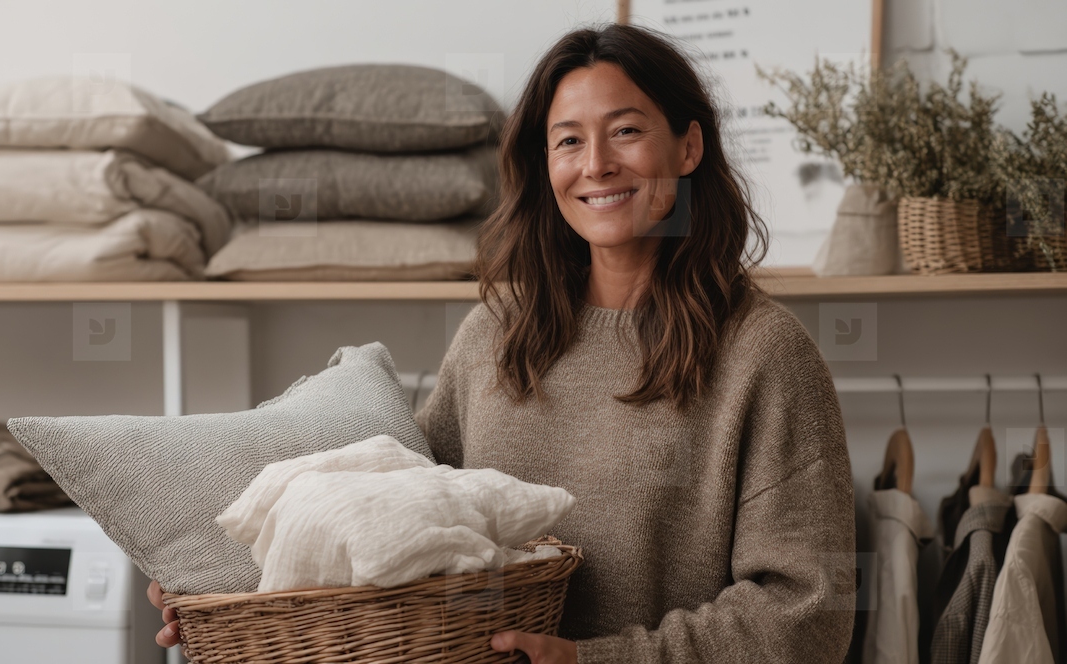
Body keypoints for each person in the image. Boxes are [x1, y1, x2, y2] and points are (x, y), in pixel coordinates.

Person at [150, 23, 856, 663]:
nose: (597, 164)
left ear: (689, 146)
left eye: (626, 131)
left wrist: (591, 660)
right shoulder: (496, 333)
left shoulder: (764, 353)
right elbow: (390, 525)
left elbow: (807, 615)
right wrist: (233, 591)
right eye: (569, 140)